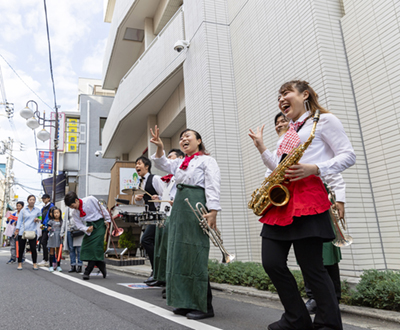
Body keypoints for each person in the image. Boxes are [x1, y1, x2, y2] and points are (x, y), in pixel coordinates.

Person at [249, 80, 355, 330]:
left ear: (304, 94)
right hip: (282, 199)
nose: (281, 99)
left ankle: (328, 324)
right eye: (278, 96)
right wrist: (262, 147)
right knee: (271, 262)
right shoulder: (289, 133)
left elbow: (348, 155)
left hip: (308, 197)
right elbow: (278, 167)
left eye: (286, 93)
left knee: (313, 269)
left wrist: (315, 168)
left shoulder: (324, 121)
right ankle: (296, 319)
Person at [270, 112, 344, 315]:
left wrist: (340, 199)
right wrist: (261, 148)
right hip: (290, 199)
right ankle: (312, 299)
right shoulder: (287, 140)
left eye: (283, 121)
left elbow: (333, 167)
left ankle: (329, 299)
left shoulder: (314, 127)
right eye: (277, 123)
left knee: (322, 258)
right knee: (307, 261)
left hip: (315, 198)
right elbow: (275, 169)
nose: (280, 125)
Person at [150, 126, 220, 320]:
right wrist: (159, 146)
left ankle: (204, 305)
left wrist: (213, 211)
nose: (183, 139)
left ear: (199, 141)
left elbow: (213, 185)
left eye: (188, 136)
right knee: (178, 255)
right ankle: (184, 301)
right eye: (181, 138)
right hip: (179, 209)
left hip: (196, 205)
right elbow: (161, 163)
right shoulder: (180, 163)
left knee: (195, 254)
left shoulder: (207, 160)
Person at [153, 148, 184, 297]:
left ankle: (170, 283)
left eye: (171, 158)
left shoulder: (182, 175)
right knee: (164, 250)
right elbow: (168, 197)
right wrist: (159, 199)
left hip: (176, 216)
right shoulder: (170, 178)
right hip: (165, 216)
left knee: (171, 251)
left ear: (180, 159)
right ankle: (165, 280)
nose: (169, 161)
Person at [64, 192, 110, 280]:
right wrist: (86, 229)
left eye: (73, 205)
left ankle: (87, 272)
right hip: (89, 227)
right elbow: (79, 224)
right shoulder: (74, 212)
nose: (72, 208)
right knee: (85, 248)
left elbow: (102, 209)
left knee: (95, 248)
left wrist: (108, 220)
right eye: (70, 207)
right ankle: (100, 263)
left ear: (76, 200)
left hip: (99, 225)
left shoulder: (90, 199)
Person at [134, 156, 164, 284]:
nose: (136, 166)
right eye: (136, 164)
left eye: (139, 163)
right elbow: (142, 204)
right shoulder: (140, 183)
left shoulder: (155, 178)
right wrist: (138, 200)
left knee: (146, 240)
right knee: (153, 243)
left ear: (147, 166)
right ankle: (157, 273)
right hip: (149, 217)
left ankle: (156, 271)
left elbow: (166, 196)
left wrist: (159, 197)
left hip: (159, 216)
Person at [14, 195, 42, 270]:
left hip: (33, 231)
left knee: (33, 248)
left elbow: (40, 218)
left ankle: (34, 264)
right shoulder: (23, 210)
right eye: (30, 199)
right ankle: (19, 264)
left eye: (33, 199)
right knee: (21, 248)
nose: (32, 201)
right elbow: (19, 220)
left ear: (35, 201)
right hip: (23, 231)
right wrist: (17, 230)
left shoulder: (37, 210)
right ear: (28, 201)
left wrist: (37, 219)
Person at [61, 208, 83, 273]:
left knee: (79, 248)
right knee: (71, 248)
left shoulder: (80, 207)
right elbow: (65, 220)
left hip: (78, 230)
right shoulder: (67, 209)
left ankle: (79, 265)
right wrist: (62, 232)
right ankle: (73, 265)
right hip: (69, 230)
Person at [38, 194, 54, 267]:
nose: (43, 199)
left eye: (45, 198)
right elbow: (42, 217)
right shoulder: (43, 208)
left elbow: (49, 217)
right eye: (43, 198)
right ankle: (46, 259)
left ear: (48, 198)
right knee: (43, 242)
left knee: (50, 243)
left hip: (50, 227)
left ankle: (51, 260)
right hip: (44, 227)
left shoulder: (51, 206)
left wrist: (44, 224)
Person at [47, 207, 63, 272]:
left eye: (57, 213)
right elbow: (47, 227)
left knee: (58, 251)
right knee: (51, 250)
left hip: (59, 236)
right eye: (55, 213)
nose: (56, 214)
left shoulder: (61, 221)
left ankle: (58, 265)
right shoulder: (50, 221)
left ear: (60, 213)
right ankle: (51, 266)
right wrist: (48, 229)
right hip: (52, 236)